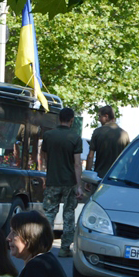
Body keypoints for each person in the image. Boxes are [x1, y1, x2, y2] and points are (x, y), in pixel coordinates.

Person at [40, 107, 83, 257]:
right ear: (71, 120)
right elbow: (77, 164)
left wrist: (45, 175)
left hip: (52, 180)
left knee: (49, 213)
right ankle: (65, 248)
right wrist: (79, 186)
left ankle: (44, 246)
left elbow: (44, 157)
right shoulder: (75, 138)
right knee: (69, 214)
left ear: (59, 119)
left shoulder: (48, 135)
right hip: (69, 182)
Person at [85, 105, 130, 179]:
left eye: (100, 116)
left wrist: (88, 176)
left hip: (100, 177)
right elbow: (129, 158)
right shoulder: (124, 134)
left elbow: (90, 156)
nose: (99, 119)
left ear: (106, 116)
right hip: (118, 177)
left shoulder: (97, 132)